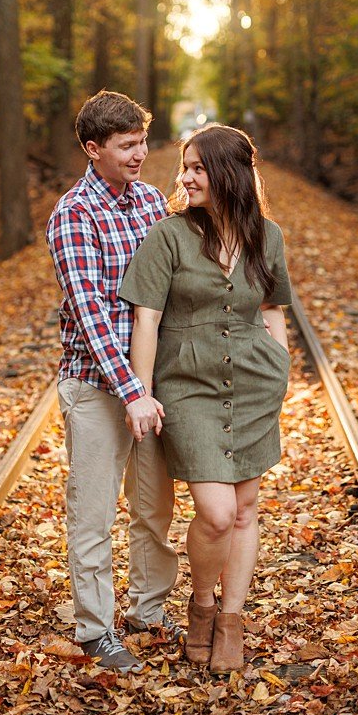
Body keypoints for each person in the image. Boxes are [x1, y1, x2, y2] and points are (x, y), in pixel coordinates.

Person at [120, 124, 293, 672]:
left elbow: (271, 311)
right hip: (186, 385)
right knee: (216, 513)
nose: (184, 176)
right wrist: (141, 395)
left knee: (245, 510)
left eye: (196, 168)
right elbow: (146, 319)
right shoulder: (169, 236)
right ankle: (201, 603)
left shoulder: (268, 237)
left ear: (228, 175)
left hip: (253, 383)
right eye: (185, 167)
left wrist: (281, 371)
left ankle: (232, 622)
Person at [45, 91, 178, 673]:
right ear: (92, 149)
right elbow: (92, 313)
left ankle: (148, 609)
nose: (140, 155)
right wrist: (132, 393)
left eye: (142, 142)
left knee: (152, 507)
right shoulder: (73, 215)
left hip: (149, 384)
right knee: (93, 513)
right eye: (126, 146)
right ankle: (95, 629)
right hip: (98, 387)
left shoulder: (151, 200)